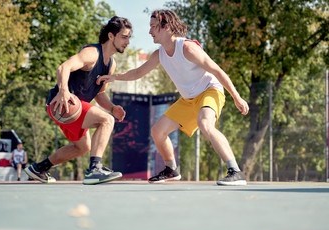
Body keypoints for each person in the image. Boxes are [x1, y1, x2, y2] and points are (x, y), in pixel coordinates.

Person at [97, 10, 249, 186]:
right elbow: (138, 72)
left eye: (153, 27)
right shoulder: (159, 54)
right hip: (188, 99)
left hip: (209, 90)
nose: (150, 31)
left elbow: (217, 71)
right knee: (158, 131)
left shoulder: (187, 48)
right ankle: (171, 169)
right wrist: (114, 77)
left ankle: (235, 171)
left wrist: (237, 97)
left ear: (166, 26)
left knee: (205, 123)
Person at [25, 16, 132, 184]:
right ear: (111, 36)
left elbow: (100, 93)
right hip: (61, 102)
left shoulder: (111, 65)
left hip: (74, 108)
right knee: (106, 121)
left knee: (83, 147)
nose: (128, 42)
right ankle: (94, 170)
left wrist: (112, 108)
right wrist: (63, 91)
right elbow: (64, 67)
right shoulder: (92, 53)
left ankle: (39, 168)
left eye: (129, 37)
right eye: (124, 37)